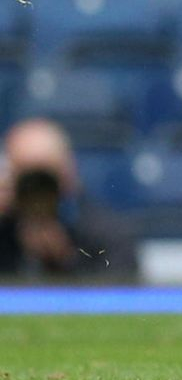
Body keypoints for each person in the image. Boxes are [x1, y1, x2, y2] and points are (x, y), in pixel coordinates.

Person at [0, 118, 139, 281]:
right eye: (27, 179)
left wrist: (67, 259)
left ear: (68, 172)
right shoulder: (4, 228)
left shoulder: (109, 234)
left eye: (45, 179)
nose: (38, 191)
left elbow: (118, 297)